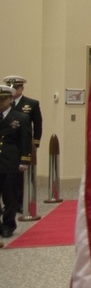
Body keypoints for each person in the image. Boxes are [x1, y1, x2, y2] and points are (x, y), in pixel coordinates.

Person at [3, 75, 41, 213]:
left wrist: (35, 144)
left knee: (19, 177)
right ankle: (10, 204)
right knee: (8, 179)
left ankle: (19, 202)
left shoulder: (31, 103)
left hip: (22, 144)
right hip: (7, 146)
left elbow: (37, 124)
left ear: (22, 88)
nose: (14, 90)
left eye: (17, 87)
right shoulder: (4, 103)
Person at [0, 84, 31, 239]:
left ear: (9, 99)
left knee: (9, 197)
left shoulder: (20, 117)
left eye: (2, 99)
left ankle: (8, 225)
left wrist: (24, 160)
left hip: (10, 162)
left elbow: (25, 141)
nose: (0, 102)